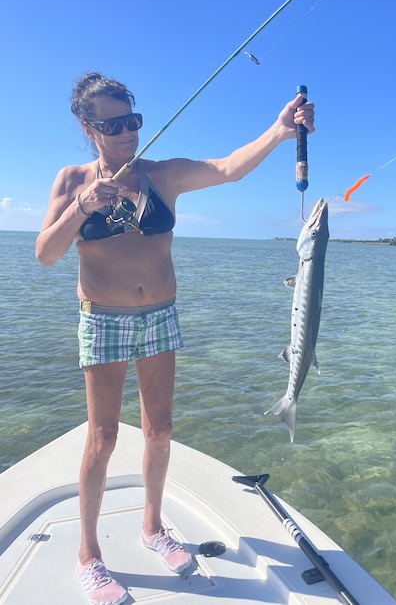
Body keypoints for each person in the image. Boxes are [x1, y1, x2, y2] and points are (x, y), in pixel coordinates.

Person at [36, 71, 315, 605]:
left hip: (160, 315)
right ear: (88, 128)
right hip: (103, 318)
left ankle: (152, 526)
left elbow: (227, 168)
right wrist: (82, 207)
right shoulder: (71, 181)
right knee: (103, 437)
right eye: (112, 125)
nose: (126, 132)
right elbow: (46, 255)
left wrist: (280, 131)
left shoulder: (161, 175)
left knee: (159, 430)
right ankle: (89, 555)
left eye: (132, 120)